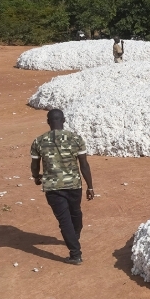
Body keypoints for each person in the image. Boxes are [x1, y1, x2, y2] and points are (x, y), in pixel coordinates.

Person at [30, 109, 95, 265]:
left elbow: (34, 164)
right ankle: (75, 237)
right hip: (74, 185)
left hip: (53, 188)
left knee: (64, 220)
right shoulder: (75, 139)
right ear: (64, 120)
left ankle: (75, 254)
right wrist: (90, 187)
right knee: (76, 212)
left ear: (48, 121)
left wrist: (36, 177)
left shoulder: (39, 141)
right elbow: (84, 165)